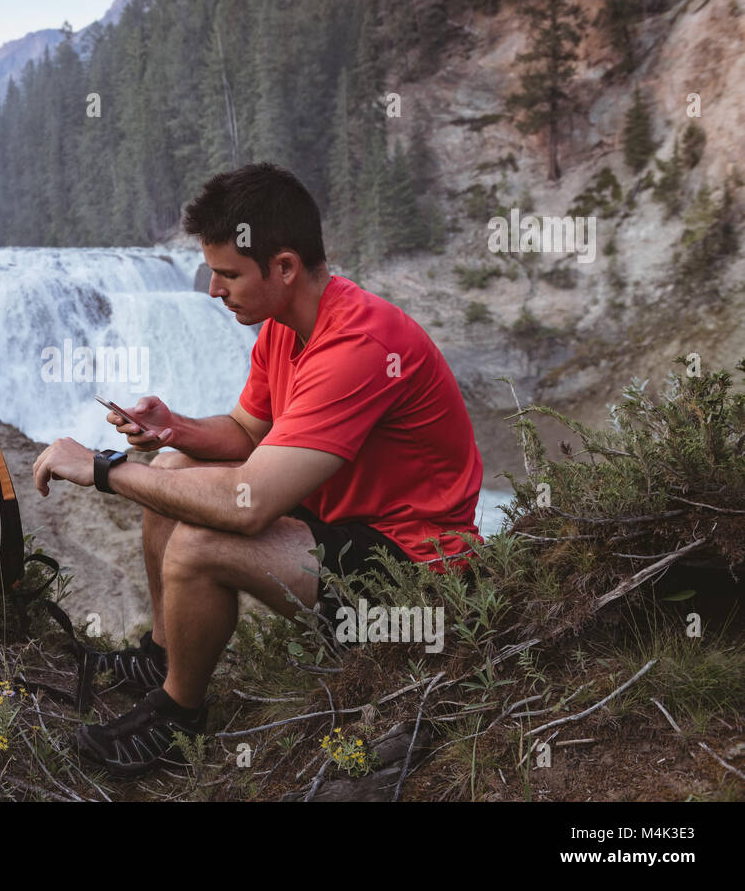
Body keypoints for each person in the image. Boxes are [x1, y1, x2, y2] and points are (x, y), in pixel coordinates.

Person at [31, 162, 483, 777]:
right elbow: (247, 433)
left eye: (227, 274)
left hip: (420, 579)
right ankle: (161, 654)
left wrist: (104, 469)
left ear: (285, 267)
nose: (213, 291)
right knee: (174, 464)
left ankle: (178, 715)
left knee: (198, 539)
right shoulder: (285, 327)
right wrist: (175, 428)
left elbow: (247, 502)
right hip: (342, 526)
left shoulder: (360, 345)